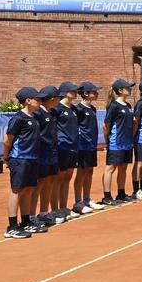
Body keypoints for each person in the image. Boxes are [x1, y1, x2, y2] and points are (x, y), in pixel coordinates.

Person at [3, 87, 42, 238]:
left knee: (28, 190)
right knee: (16, 190)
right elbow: (8, 141)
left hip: (32, 159)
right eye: (36, 99)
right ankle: (12, 226)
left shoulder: (33, 117)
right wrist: (6, 158)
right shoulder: (19, 118)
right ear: (27, 100)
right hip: (19, 159)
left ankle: (25, 222)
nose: (39, 101)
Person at [102, 80, 135, 205]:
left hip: (126, 143)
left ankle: (121, 194)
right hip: (116, 142)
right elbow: (106, 125)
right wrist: (108, 141)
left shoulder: (128, 106)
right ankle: (107, 196)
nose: (130, 89)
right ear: (120, 90)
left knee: (123, 167)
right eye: (127, 87)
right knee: (110, 168)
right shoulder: (114, 106)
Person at [73, 82, 104, 213]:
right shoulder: (78, 109)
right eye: (94, 91)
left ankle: (87, 199)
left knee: (89, 171)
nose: (97, 94)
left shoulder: (93, 109)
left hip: (91, 146)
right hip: (82, 146)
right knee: (81, 172)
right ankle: (78, 202)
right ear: (85, 93)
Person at [52, 81, 81, 220]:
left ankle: (63, 208)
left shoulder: (74, 109)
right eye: (73, 90)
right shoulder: (57, 108)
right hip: (61, 147)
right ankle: (55, 210)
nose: (76, 93)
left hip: (73, 147)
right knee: (58, 178)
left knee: (67, 178)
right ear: (64, 92)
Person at [34, 86, 60, 227]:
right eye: (58, 97)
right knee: (39, 184)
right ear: (52, 99)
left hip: (52, 154)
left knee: (49, 181)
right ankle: (32, 216)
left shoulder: (51, 112)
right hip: (41, 155)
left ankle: (44, 212)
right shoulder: (38, 113)